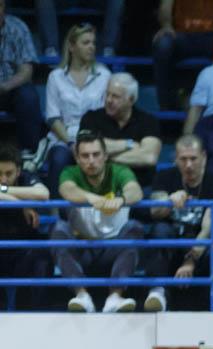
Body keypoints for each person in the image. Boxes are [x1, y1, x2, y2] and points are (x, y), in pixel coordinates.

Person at [54, 131, 143, 313]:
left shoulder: (120, 171)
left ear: (105, 156)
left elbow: (135, 191)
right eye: (85, 156)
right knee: (58, 229)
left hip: (113, 248)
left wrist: (121, 200)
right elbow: (67, 190)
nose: (91, 161)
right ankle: (82, 296)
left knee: (135, 228)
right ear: (77, 158)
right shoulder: (69, 173)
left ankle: (115, 297)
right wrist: (92, 198)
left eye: (96, 155)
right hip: (83, 249)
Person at [144, 135, 213, 313]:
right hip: (171, 246)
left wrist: (190, 261)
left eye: (193, 158)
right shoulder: (165, 176)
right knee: (159, 230)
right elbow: (154, 211)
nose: (188, 165)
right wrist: (169, 201)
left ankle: (209, 305)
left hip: (199, 246)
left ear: (203, 157)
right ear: (176, 158)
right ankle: (158, 292)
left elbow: (208, 229)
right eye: (183, 159)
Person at [41, 23, 108, 190]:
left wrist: (87, 144)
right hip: (64, 139)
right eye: (86, 43)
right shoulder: (56, 77)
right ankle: (55, 205)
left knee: (96, 157)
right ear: (71, 46)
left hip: (94, 137)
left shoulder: (104, 75)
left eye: (93, 43)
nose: (91, 47)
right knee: (59, 159)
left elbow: (106, 115)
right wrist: (72, 144)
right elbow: (53, 118)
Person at [80, 73, 162, 191]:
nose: (108, 100)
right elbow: (86, 149)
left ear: (131, 100)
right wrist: (128, 144)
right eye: (107, 94)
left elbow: (149, 157)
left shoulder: (148, 121)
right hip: (99, 187)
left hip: (141, 187)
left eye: (115, 96)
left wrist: (105, 158)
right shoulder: (91, 118)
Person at [153, 0, 213, 111]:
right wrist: (167, 25)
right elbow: (166, 5)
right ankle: (167, 107)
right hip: (181, 35)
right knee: (163, 44)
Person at [0, 142, 49, 306]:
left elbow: (43, 194)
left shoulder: (26, 177)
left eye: (9, 173)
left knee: (41, 257)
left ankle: (31, 311)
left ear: (19, 171)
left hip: (22, 252)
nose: (3, 179)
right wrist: (21, 204)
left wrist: (3, 190)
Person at [0, 0, 43, 155]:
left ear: (4, 7)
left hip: (10, 90)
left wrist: (5, 86)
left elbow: (26, 71)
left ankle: (29, 152)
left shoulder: (17, 28)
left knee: (28, 96)